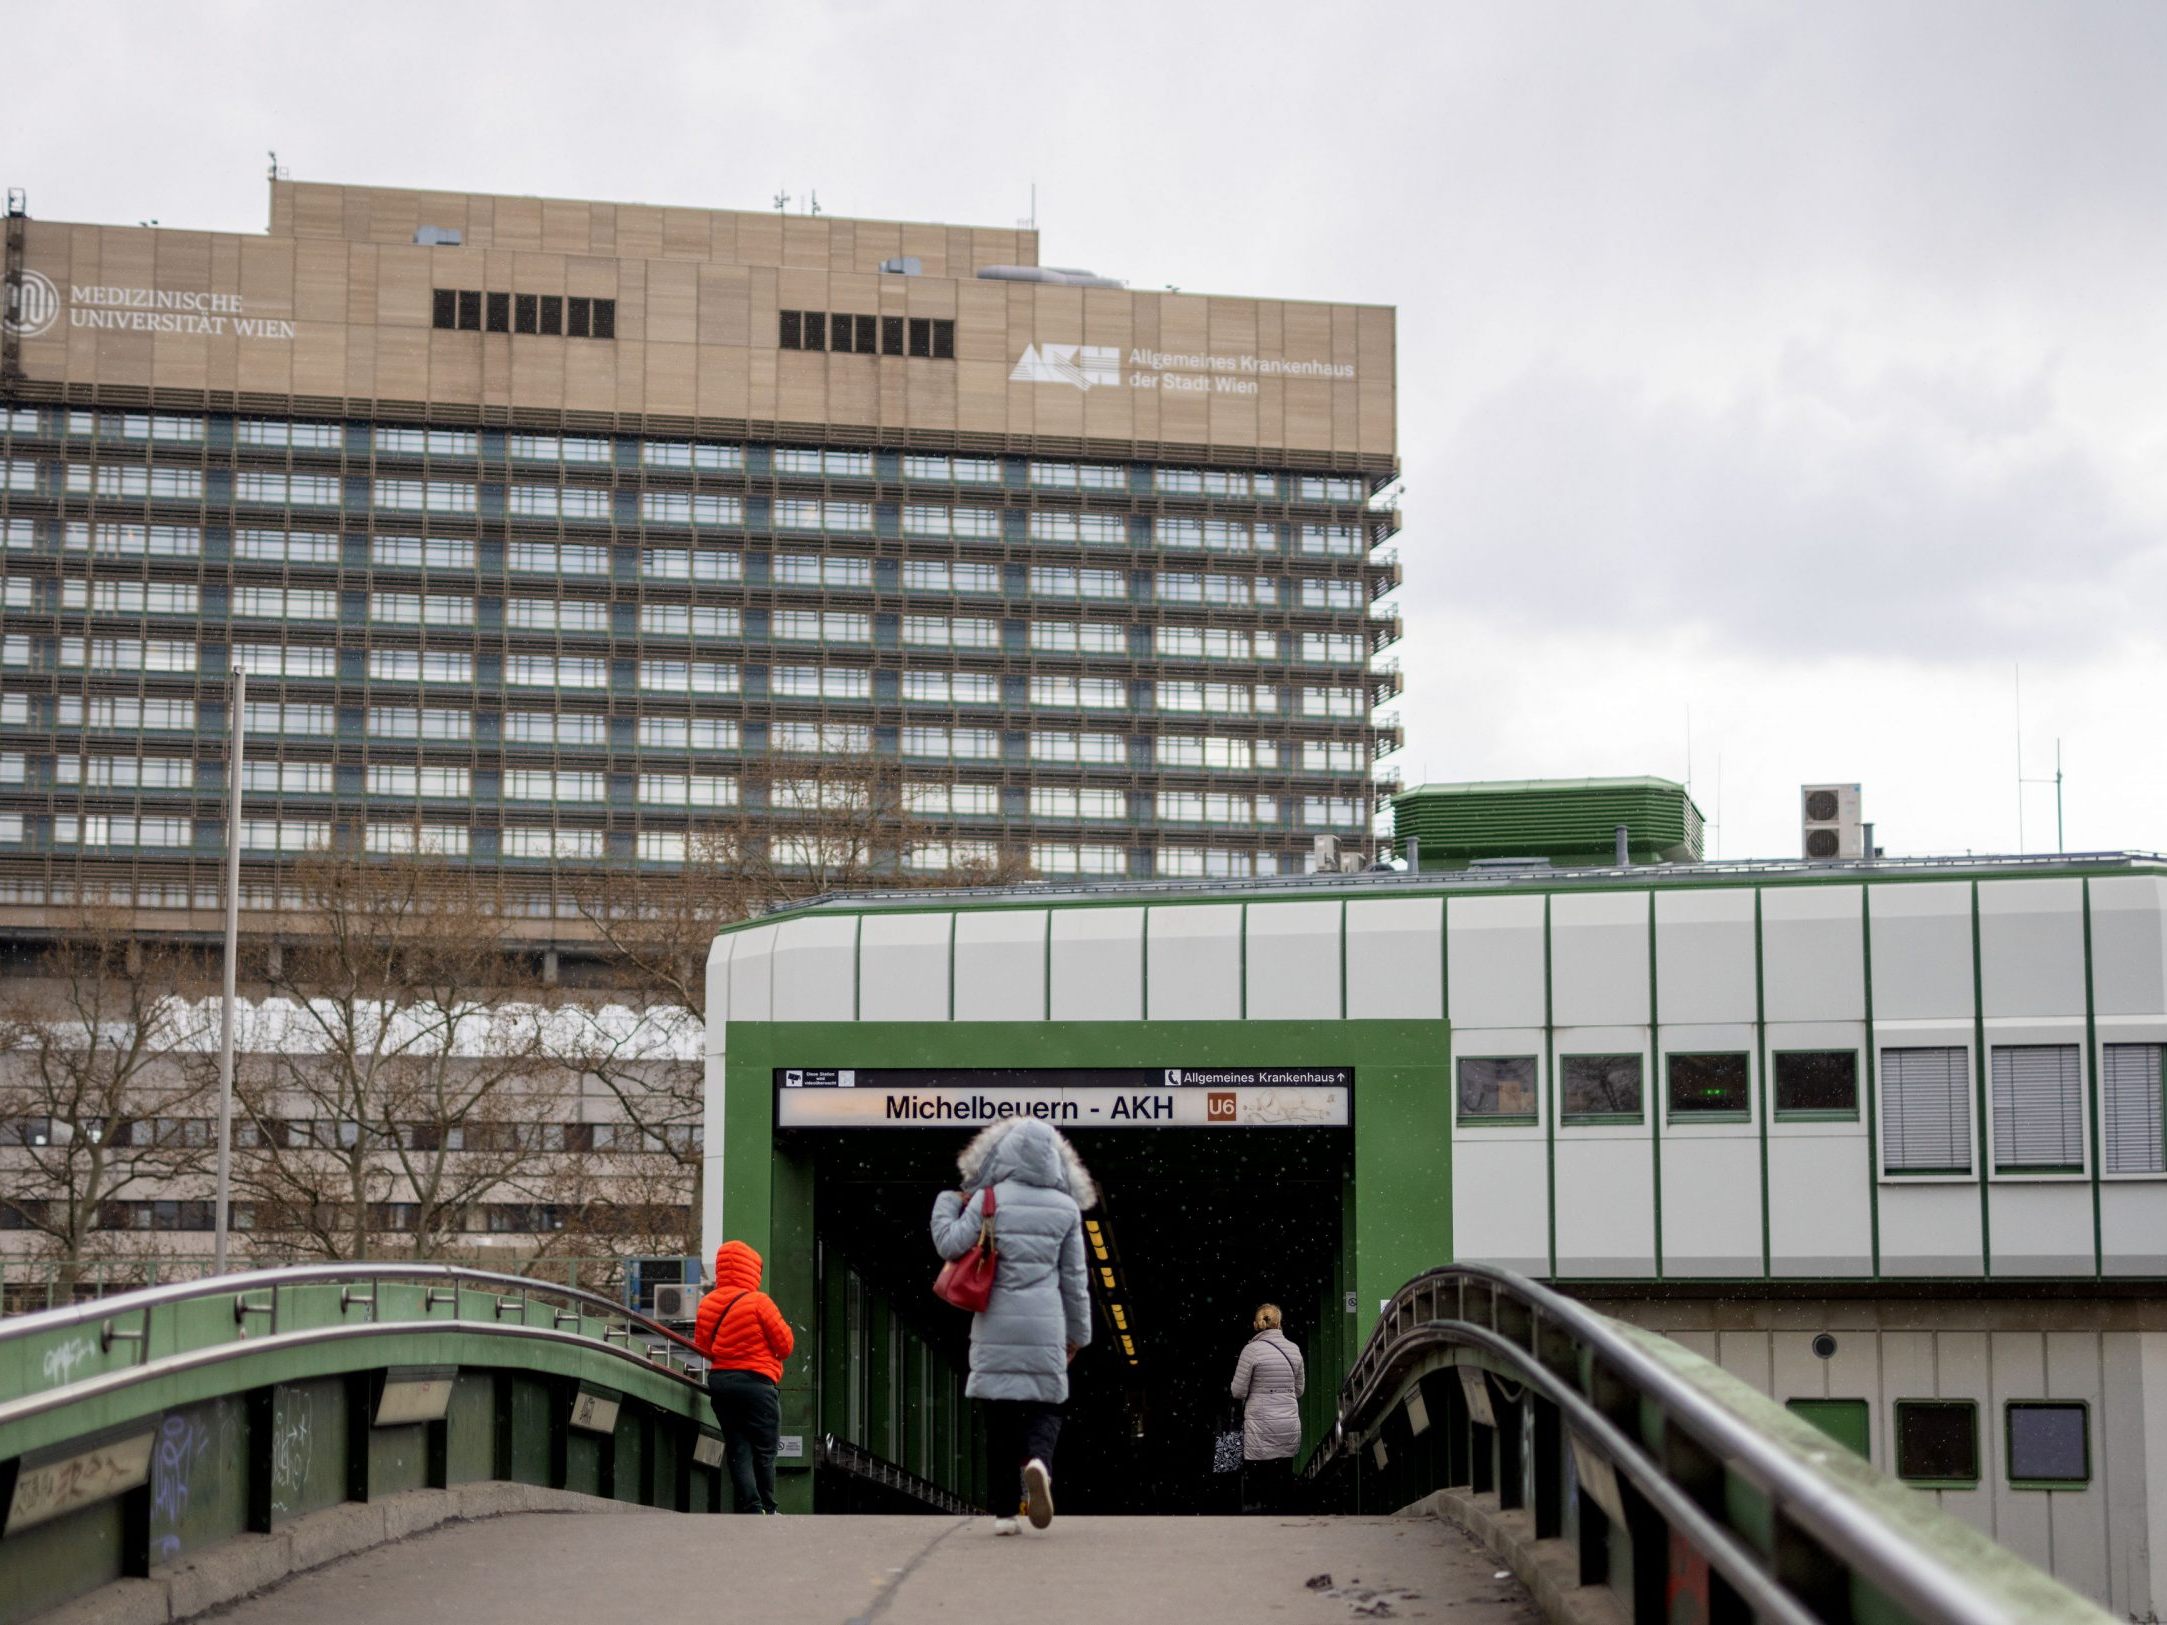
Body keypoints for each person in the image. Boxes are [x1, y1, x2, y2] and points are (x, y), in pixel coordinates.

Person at [930, 1117, 1095, 1536]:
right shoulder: (1065, 1210)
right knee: (1045, 1409)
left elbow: (949, 1244)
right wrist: (1078, 1335)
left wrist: (949, 1202)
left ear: (1004, 1156)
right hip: (1045, 1326)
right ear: (1054, 1161)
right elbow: (1075, 1281)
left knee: (999, 1422)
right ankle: (1039, 1462)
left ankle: (1004, 1514)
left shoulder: (989, 1198)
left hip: (996, 1325)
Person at [692, 1238, 795, 1513]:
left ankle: (752, 1507)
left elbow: (703, 1346)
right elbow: (785, 1346)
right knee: (765, 1449)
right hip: (757, 1384)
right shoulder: (760, 1302)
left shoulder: (707, 1303)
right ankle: (770, 1508)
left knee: (738, 1448)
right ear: (752, 1269)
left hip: (722, 1383)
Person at [1230, 1303, 1305, 1513]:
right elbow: (1299, 1390)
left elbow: (1238, 1392)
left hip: (1260, 1427)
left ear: (1255, 1325)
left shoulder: (1251, 1351)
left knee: (1261, 1476)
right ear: (1279, 1323)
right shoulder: (1294, 1349)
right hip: (1287, 1424)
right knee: (1282, 1474)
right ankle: (1283, 1514)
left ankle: (1263, 1517)